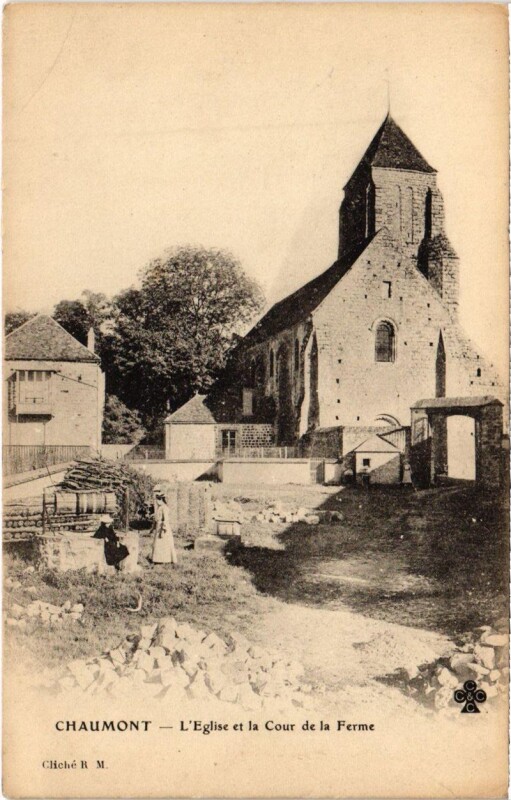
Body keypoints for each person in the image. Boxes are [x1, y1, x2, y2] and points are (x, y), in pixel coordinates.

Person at [151, 491, 177, 565]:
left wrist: (163, 528)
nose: (157, 502)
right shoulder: (160, 507)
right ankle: (158, 559)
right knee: (158, 543)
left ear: (161, 500)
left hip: (163, 527)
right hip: (159, 525)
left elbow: (165, 519)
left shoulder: (164, 508)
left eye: (157, 500)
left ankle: (165, 559)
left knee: (163, 542)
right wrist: (153, 528)